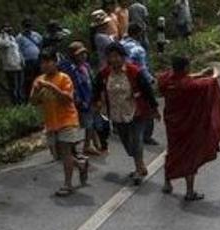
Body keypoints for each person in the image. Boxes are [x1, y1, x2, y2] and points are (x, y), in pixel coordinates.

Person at [156, 56, 220, 200]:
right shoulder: (191, 86)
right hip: (189, 125)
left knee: (172, 151)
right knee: (189, 156)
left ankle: (167, 183)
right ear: (186, 67)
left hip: (172, 123)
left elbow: (179, 79)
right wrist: (215, 72)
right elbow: (212, 81)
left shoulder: (166, 80)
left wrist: (200, 74)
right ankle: (189, 192)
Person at [94, 43, 159, 185]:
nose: (114, 59)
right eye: (111, 57)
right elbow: (96, 88)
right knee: (127, 143)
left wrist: (154, 108)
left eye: (116, 56)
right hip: (117, 113)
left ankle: (139, 168)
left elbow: (147, 90)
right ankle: (140, 163)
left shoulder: (134, 71)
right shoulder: (105, 73)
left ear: (123, 57)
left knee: (136, 140)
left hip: (136, 111)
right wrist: (97, 102)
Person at [32, 51, 89, 196]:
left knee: (66, 151)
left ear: (55, 63)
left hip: (67, 119)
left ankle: (67, 184)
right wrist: (37, 91)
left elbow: (68, 98)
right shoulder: (39, 80)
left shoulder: (64, 78)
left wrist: (51, 87)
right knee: (58, 155)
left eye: (48, 62)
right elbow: (33, 101)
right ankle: (81, 164)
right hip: (51, 122)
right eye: (42, 63)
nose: (45, 65)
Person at [61, 42, 101, 156]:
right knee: (73, 125)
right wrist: (77, 99)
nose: (83, 56)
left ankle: (88, 144)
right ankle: (71, 149)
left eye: (84, 53)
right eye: (80, 54)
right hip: (76, 99)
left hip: (88, 98)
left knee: (89, 123)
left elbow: (92, 82)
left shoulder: (86, 66)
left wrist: (96, 97)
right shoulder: (67, 69)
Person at [122, 23, 158, 145]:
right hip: (140, 80)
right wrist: (151, 80)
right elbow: (142, 69)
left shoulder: (121, 44)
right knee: (148, 106)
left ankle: (128, 131)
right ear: (138, 34)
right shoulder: (138, 49)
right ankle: (147, 135)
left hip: (124, 79)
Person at [0, 26, 25, 105]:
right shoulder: (1, 39)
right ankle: (14, 104)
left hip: (18, 65)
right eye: (7, 29)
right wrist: (4, 34)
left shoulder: (13, 38)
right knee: (14, 87)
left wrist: (22, 60)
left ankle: (21, 103)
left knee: (20, 86)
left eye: (10, 29)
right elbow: (6, 44)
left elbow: (17, 50)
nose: (9, 30)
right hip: (10, 67)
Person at [17, 18, 44, 95]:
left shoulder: (36, 35)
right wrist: (21, 61)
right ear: (23, 26)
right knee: (28, 80)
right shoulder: (19, 37)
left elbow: (42, 44)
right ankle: (29, 96)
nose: (28, 28)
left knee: (39, 78)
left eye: (29, 26)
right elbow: (18, 50)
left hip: (38, 60)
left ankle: (40, 95)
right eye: (26, 26)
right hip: (27, 61)